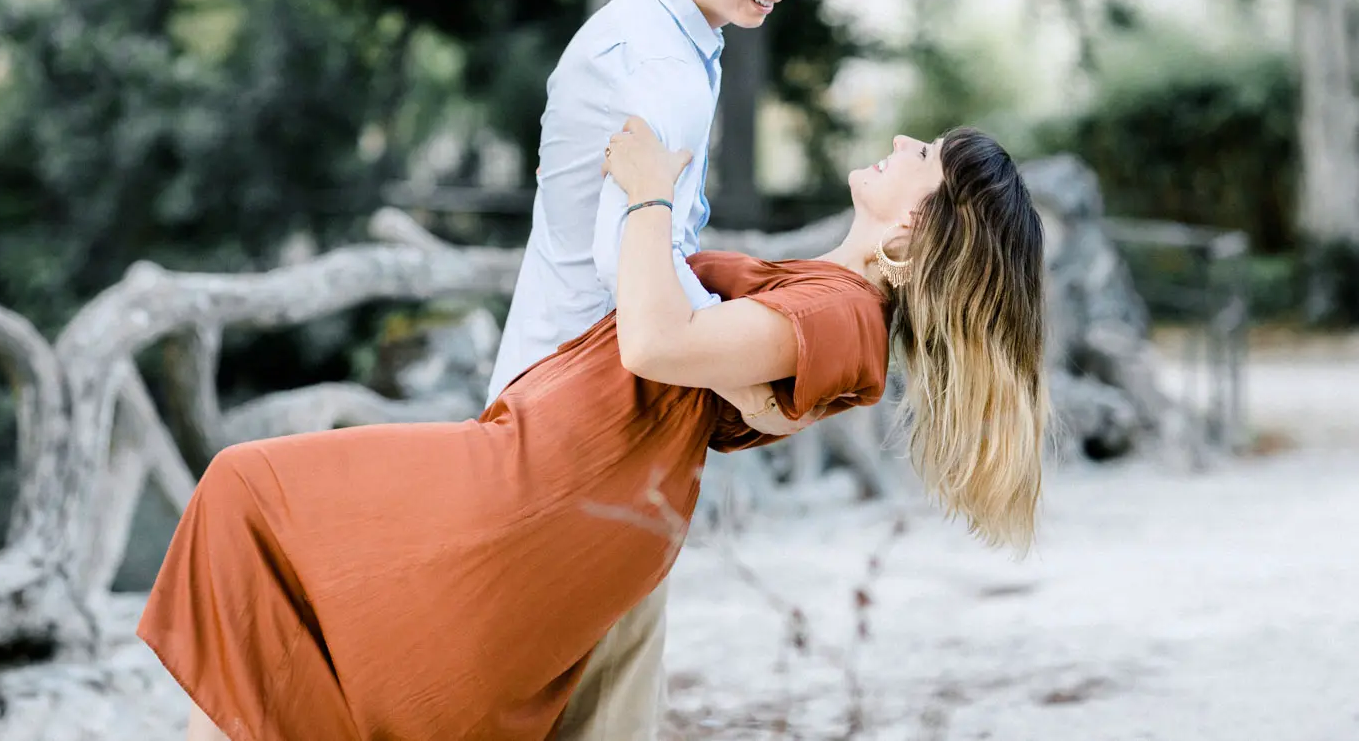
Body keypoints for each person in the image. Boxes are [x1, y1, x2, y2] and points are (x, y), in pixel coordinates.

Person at [138, 120, 1050, 741]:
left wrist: (650, 195)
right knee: (277, 574)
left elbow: (658, 340)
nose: (899, 141)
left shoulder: (846, 317)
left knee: (248, 496)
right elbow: (735, 384)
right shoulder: (833, 302)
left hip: (539, 486)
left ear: (919, 227)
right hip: (545, 469)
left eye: (922, 152)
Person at [485, 0, 835, 739]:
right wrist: (753, 385)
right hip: (580, 424)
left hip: (579, 409)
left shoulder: (673, 43)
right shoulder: (657, 66)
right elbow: (625, 261)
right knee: (604, 714)